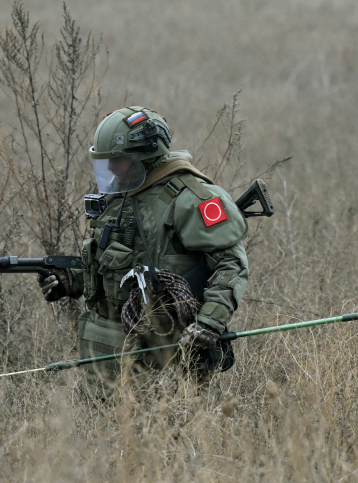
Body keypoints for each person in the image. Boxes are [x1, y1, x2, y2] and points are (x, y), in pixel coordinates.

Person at [37, 107, 249, 398]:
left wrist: (209, 323)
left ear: (146, 157)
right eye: (107, 161)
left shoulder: (191, 199)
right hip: (104, 353)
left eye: (119, 160)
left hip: (163, 352)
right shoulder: (123, 192)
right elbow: (112, 260)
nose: (111, 168)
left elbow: (231, 266)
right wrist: (70, 279)